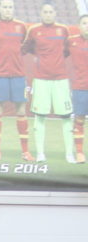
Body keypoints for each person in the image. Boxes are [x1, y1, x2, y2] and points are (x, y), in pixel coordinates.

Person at [23, 3, 76, 163]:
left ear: (55, 13)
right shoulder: (33, 30)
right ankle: (40, 153)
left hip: (60, 80)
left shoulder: (63, 30)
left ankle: (69, 154)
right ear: (41, 13)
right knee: (40, 116)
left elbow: (67, 50)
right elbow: (27, 48)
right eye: (45, 12)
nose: (48, 14)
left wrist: (54, 60)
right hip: (41, 80)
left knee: (66, 116)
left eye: (50, 12)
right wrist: (42, 58)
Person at [0, 0, 35, 162]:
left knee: (21, 111)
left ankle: (25, 151)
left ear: (14, 9)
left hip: (18, 75)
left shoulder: (21, 27)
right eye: (5, 7)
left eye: (10, 7)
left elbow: (26, 47)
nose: (8, 10)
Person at [70, 14, 88, 164]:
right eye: (84, 23)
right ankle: (80, 152)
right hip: (80, 88)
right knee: (79, 119)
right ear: (79, 26)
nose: (87, 26)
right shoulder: (72, 41)